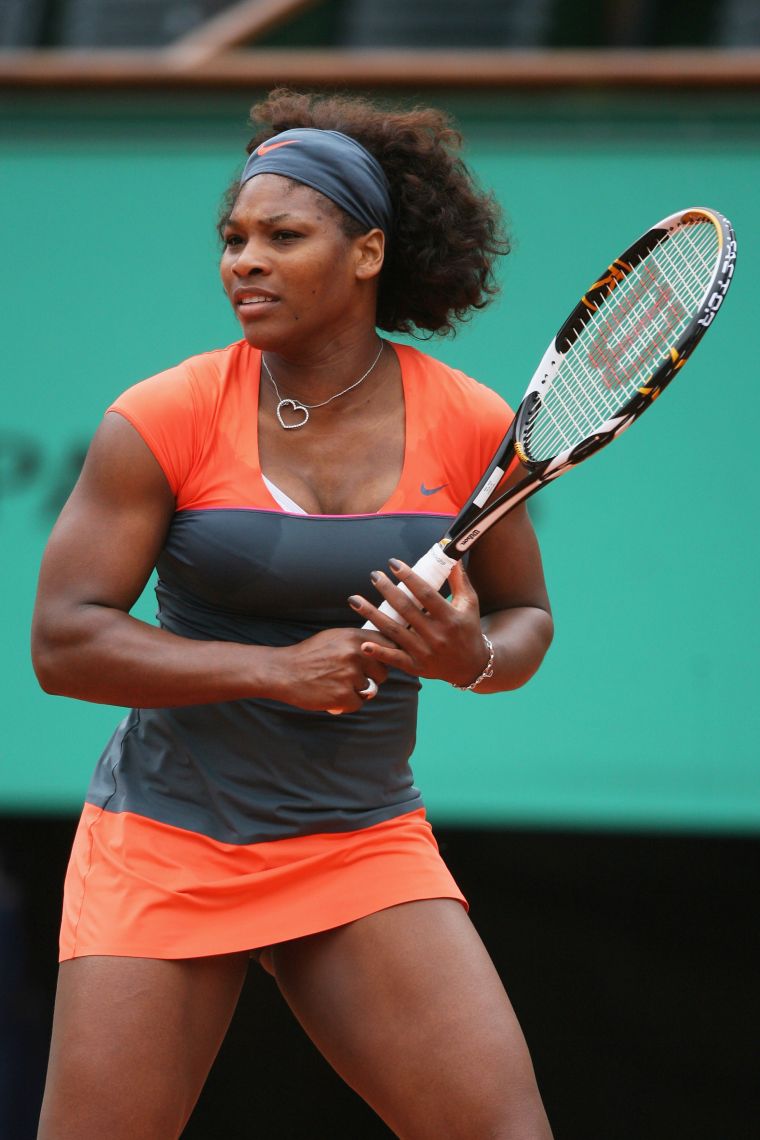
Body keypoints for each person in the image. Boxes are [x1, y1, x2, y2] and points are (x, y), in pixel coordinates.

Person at [31, 88, 554, 1139]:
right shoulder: (163, 414)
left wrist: (471, 657)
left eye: (283, 235)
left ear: (366, 253)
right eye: (232, 239)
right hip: (169, 837)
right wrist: (270, 670)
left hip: (358, 838)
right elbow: (64, 640)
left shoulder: (472, 422)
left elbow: (525, 618)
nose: (244, 261)